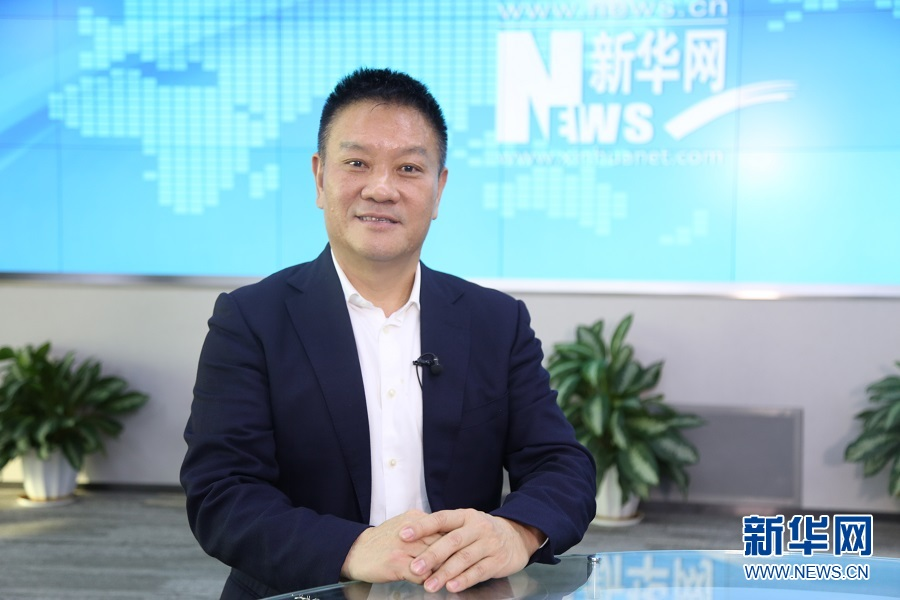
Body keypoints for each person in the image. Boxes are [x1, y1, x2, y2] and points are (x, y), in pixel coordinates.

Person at [180, 67, 596, 600]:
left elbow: (562, 464)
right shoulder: (250, 319)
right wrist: (352, 549)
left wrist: (516, 532)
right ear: (319, 178)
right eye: (357, 163)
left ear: (439, 189)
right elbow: (222, 493)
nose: (381, 189)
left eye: (409, 168)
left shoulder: (496, 321)